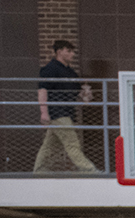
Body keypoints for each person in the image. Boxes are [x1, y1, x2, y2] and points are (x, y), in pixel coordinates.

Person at [34, 39, 96, 172]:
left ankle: (39, 172)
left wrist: (86, 93)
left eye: (73, 51)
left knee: (50, 146)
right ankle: (90, 171)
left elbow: (81, 97)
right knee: (72, 143)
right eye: (69, 51)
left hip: (67, 113)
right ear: (59, 52)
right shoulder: (49, 69)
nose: (72, 54)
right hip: (57, 113)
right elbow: (42, 90)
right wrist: (44, 112)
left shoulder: (71, 73)